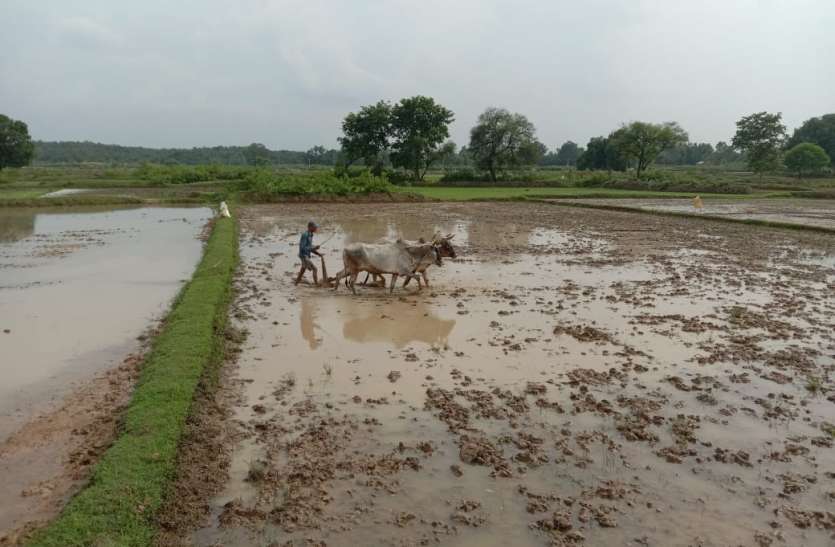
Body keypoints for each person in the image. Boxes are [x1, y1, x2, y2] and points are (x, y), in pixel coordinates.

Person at [295, 220, 322, 285]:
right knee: (315, 269)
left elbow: (309, 248)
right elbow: (303, 248)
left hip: (306, 255)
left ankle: (296, 284)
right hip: (304, 256)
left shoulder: (310, 235)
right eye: (314, 227)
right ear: (310, 227)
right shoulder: (305, 235)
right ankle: (316, 285)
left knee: (302, 270)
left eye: (316, 227)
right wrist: (314, 248)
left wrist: (318, 254)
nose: (316, 228)